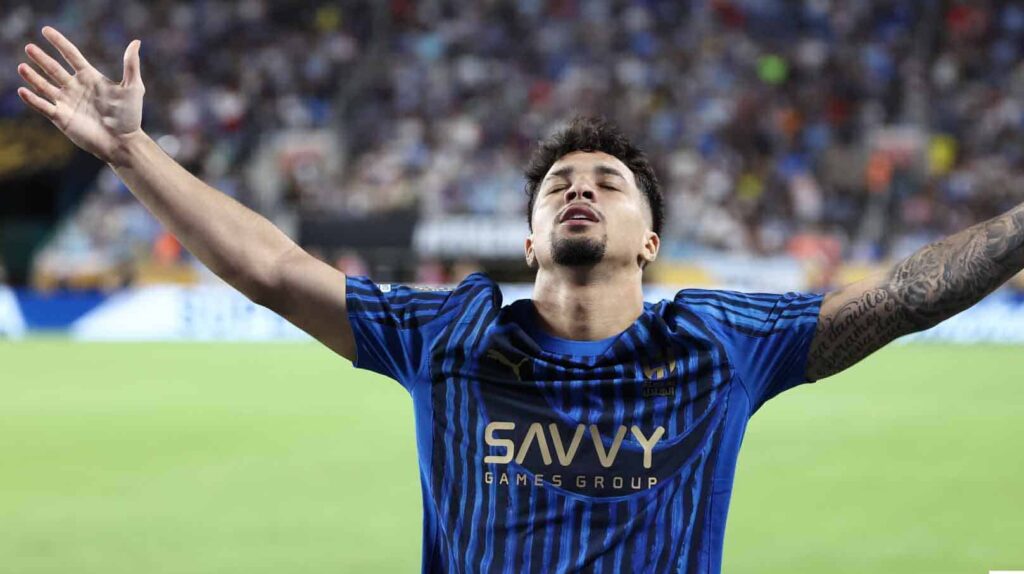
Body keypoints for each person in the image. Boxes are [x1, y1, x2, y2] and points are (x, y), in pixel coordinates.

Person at [17, 27, 1024, 574]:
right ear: (531, 239)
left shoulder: (720, 342)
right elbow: (274, 269)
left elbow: (903, 297)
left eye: (608, 182)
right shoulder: (448, 335)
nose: (580, 188)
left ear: (651, 242)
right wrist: (132, 153)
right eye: (558, 186)